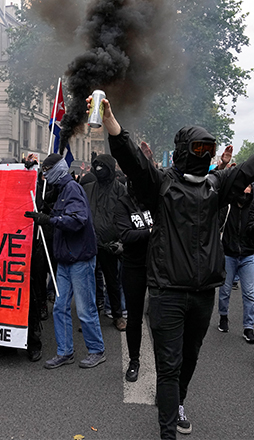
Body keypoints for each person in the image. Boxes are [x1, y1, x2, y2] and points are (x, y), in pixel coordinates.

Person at [98, 95, 254, 439]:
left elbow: (248, 167)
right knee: (168, 367)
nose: (205, 154)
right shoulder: (162, 185)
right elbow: (133, 161)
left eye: (208, 149)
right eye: (198, 148)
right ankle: (167, 430)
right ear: (184, 149)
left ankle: (176, 402)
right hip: (167, 294)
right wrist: (112, 123)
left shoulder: (217, 186)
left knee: (190, 360)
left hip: (203, 296)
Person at [25, 153, 106, 370]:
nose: (45, 175)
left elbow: (78, 220)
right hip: (65, 259)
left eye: (47, 171)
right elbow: (42, 198)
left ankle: (96, 350)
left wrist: (50, 220)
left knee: (85, 308)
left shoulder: (72, 189)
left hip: (79, 258)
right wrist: (30, 172)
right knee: (60, 307)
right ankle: (64, 351)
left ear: (57, 170)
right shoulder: (61, 190)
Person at [82, 154, 128, 331]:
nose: (99, 169)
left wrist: (120, 241)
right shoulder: (87, 188)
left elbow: (125, 216)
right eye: (97, 166)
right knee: (91, 282)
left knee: (113, 282)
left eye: (103, 166)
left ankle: (117, 315)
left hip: (110, 245)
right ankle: (91, 318)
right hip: (91, 244)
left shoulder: (120, 189)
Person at [114, 177, 153, 382]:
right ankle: (134, 361)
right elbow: (126, 235)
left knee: (161, 319)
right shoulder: (123, 203)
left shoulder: (151, 200)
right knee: (134, 319)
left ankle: (165, 367)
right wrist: (149, 232)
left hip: (156, 266)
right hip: (133, 267)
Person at [217, 183, 254, 343]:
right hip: (229, 254)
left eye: (249, 186)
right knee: (225, 291)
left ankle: (249, 327)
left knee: (250, 293)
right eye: (244, 186)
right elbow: (217, 225)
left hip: (248, 255)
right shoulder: (228, 207)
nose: (246, 189)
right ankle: (223, 317)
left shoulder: (252, 208)